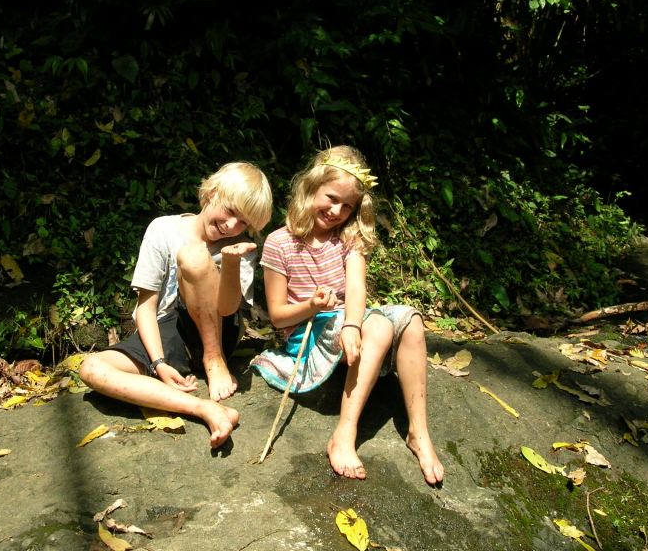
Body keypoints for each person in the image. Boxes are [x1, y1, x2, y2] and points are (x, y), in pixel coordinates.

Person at [251, 145, 444, 485]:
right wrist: (312, 306)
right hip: (308, 332)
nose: (337, 211)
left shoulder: (348, 238)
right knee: (379, 326)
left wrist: (352, 324)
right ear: (311, 188)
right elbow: (278, 317)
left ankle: (419, 432)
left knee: (411, 320)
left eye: (347, 206)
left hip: (349, 321)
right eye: (331, 198)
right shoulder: (279, 243)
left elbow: (356, 288)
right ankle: (345, 432)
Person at [80, 161, 272, 449]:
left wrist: (231, 263)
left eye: (243, 222)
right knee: (92, 368)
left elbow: (228, 309)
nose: (232, 226)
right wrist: (158, 363)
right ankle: (204, 409)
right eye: (231, 211)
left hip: (219, 331)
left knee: (193, 257)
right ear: (212, 193)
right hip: (170, 333)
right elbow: (146, 307)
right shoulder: (164, 229)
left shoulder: (239, 246)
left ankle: (213, 360)